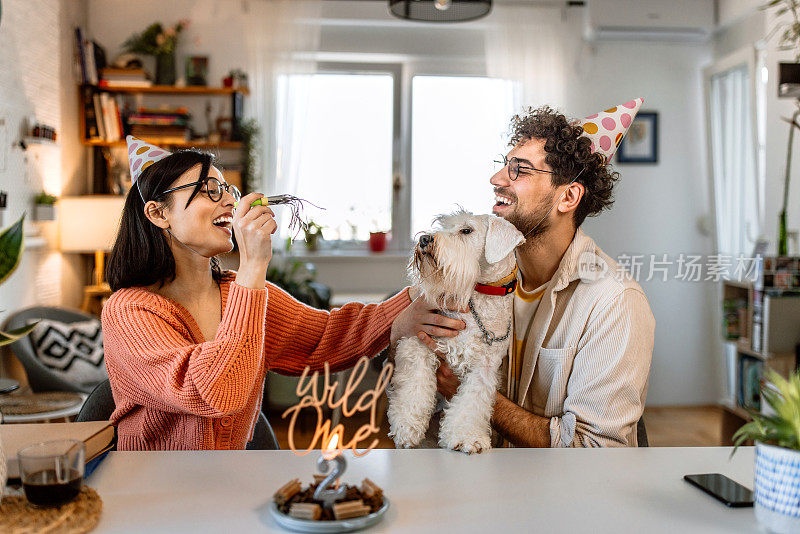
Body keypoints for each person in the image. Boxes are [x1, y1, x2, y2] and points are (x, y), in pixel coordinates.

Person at [102, 136, 464, 451]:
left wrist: (414, 300)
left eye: (227, 190)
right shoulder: (128, 312)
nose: (229, 201)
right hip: (150, 495)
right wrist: (253, 266)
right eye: (210, 191)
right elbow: (215, 392)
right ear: (157, 213)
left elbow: (327, 336)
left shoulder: (239, 293)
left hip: (230, 492)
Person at [425, 102, 655, 447]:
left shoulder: (614, 302)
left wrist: (472, 393)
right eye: (503, 165)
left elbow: (594, 448)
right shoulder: (474, 275)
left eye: (519, 170)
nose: (496, 179)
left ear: (568, 197)